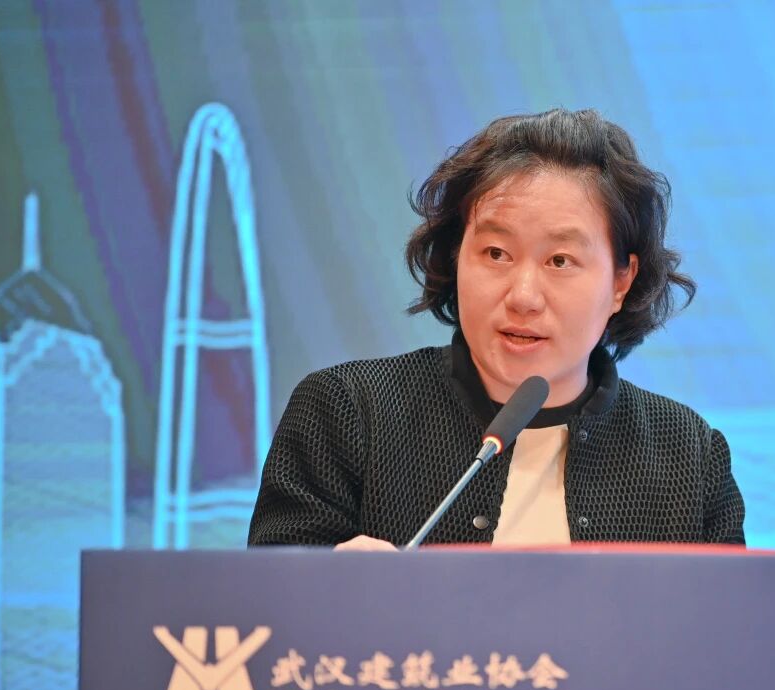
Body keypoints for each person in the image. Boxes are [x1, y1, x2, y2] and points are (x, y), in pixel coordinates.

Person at [247, 108, 745, 550]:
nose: (523, 296)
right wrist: (333, 590)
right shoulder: (349, 413)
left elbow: (726, 623)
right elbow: (265, 610)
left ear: (621, 282)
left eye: (560, 260)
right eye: (496, 253)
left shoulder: (688, 457)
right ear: (456, 257)